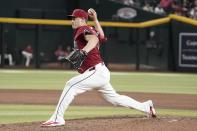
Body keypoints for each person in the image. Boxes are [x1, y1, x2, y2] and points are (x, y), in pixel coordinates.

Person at [42, 8, 156, 127]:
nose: (72, 21)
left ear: (82, 19)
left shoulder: (83, 28)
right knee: (115, 99)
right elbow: (101, 36)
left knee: (70, 85)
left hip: (95, 71)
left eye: (74, 18)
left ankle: (57, 118)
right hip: (100, 72)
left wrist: (83, 52)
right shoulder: (90, 28)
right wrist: (95, 20)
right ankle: (146, 107)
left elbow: (94, 39)